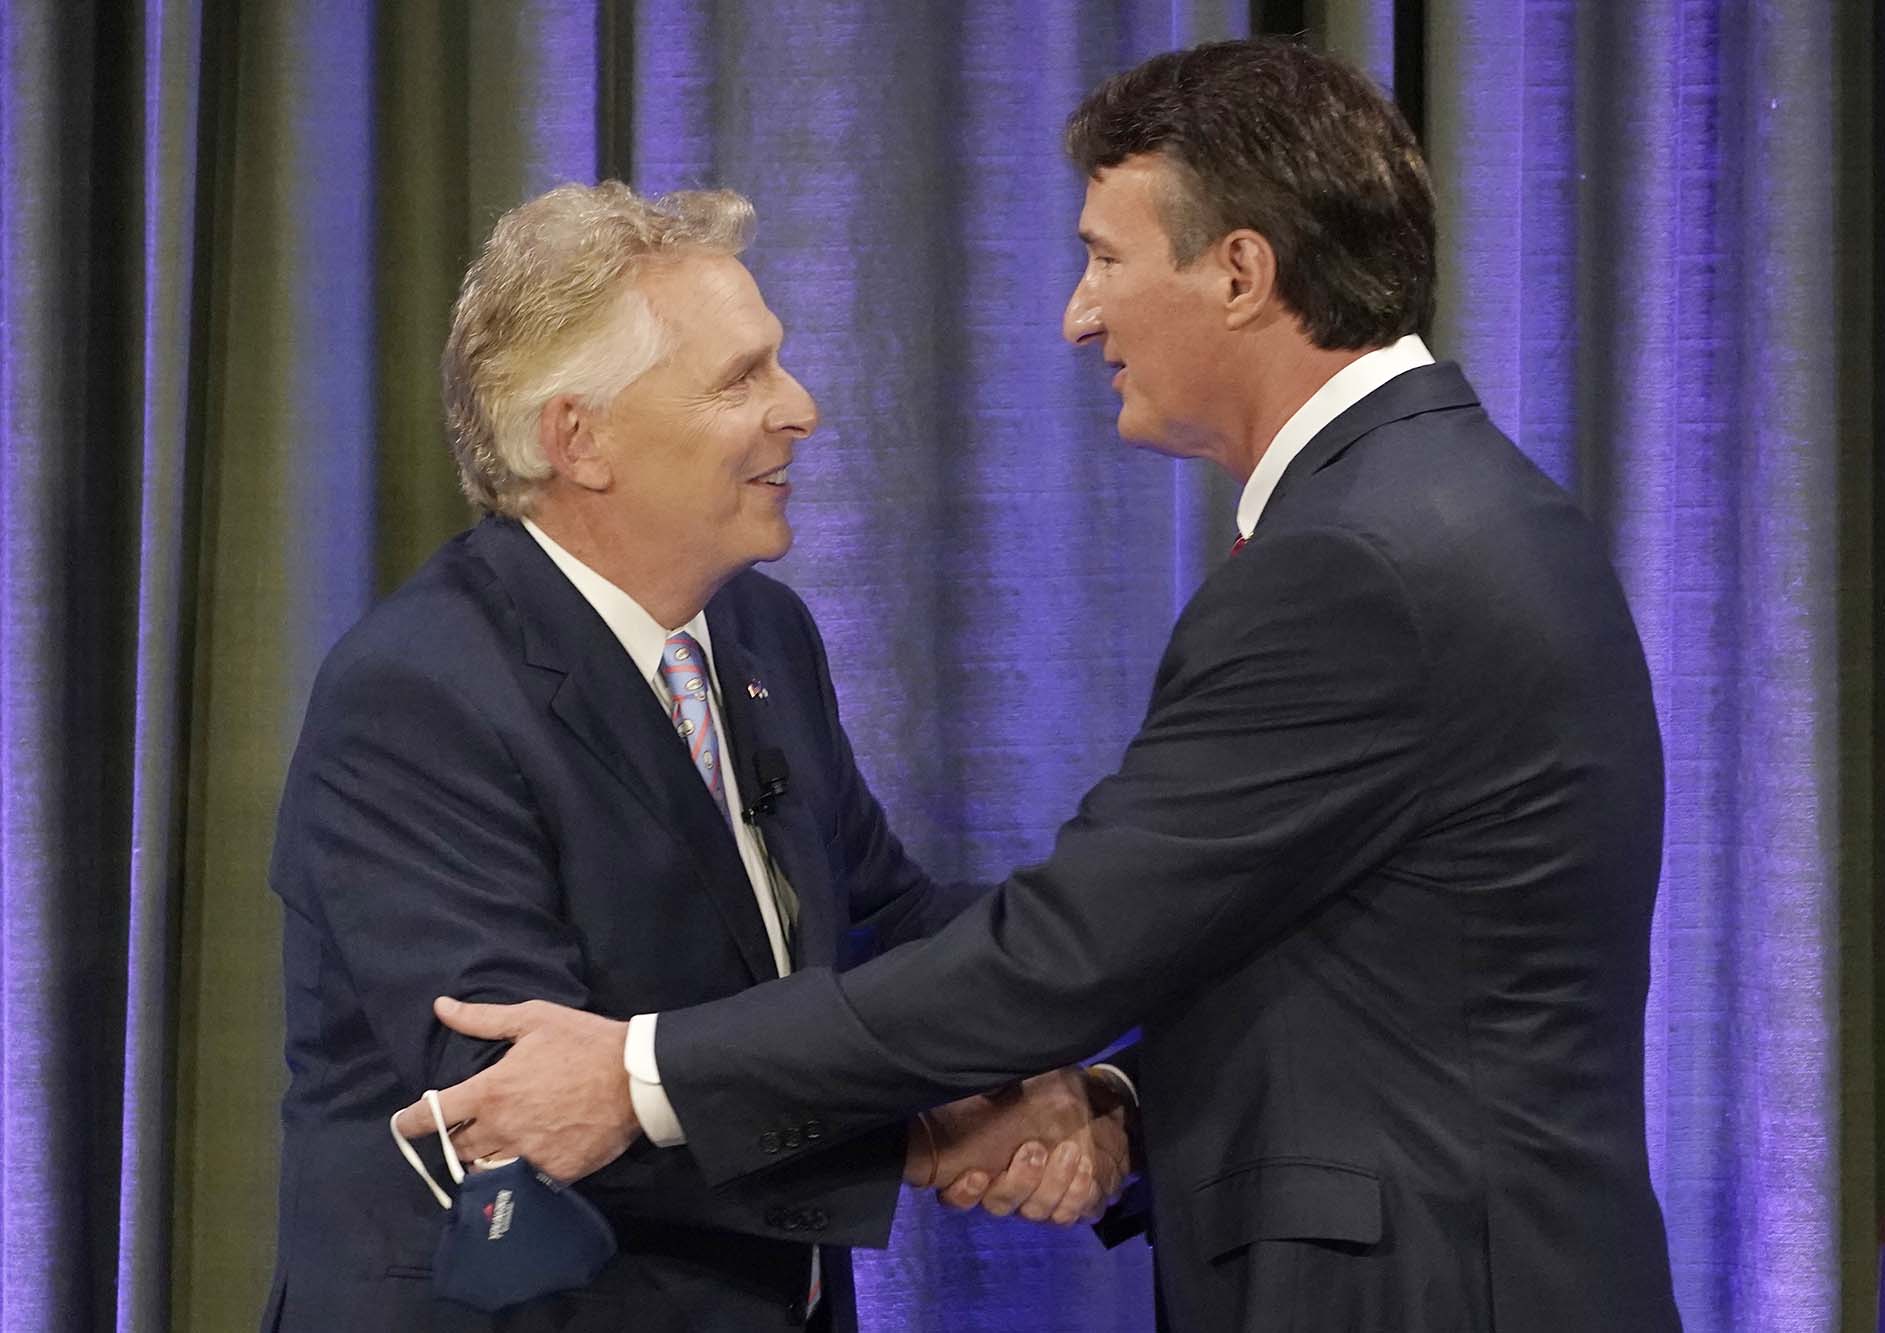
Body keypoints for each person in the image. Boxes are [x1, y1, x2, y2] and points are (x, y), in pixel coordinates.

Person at [406, 40, 1682, 1331]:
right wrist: (1113, 1103)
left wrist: (638, 1073)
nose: (1079, 315)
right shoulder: (1453, 503)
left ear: (1241, 272)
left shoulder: (1352, 564)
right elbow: (1310, 965)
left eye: (1105, 259)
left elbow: (1065, 951)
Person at [264, 181, 1123, 1333]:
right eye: (740, 378)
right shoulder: (420, 692)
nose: (802, 407)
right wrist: (918, 1137)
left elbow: (879, 922)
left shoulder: (763, 632)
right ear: (580, 439)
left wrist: (1101, 994)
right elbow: (518, 1109)